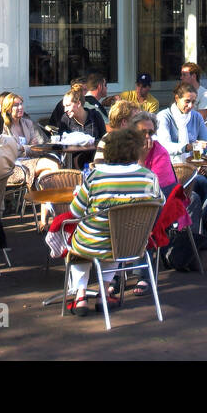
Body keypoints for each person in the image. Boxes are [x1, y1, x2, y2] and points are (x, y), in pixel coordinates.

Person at [63, 126, 162, 316]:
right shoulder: (149, 177)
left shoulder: (95, 177)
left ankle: (81, 294)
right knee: (116, 238)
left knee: (80, 241)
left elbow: (75, 211)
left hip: (93, 242)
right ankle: (104, 292)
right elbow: (158, 205)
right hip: (131, 243)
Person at [154, 82, 207, 158]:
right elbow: (164, 146)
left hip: (193, 164)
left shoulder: (197, 117)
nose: (190, 106)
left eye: (193, 102)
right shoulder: (164, 116)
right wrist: (187, 147)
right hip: (169, 165)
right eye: (187, 101)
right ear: (177, 98)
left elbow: (206, 146)